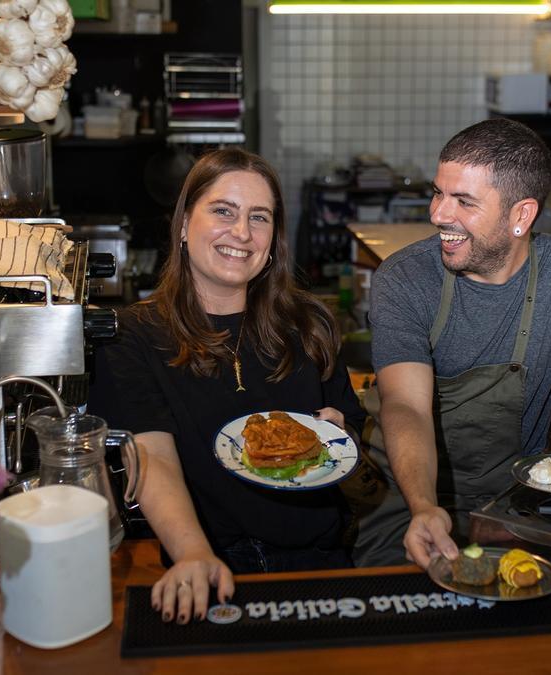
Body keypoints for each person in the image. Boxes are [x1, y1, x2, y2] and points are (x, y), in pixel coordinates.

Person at [353, 119, 551, 568]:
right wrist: (425, 507)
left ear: (521, 215)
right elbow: (405, 406)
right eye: (439, 193)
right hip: (405, 495)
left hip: (515, 498)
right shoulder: (405, 279)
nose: (438, 215)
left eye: (463, 201)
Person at [100, 148, 365, 624]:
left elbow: (348, 425)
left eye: (258, 218)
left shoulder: (308, 324)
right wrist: (192, 555)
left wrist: (342, 430)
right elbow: (151, 455)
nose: (242, 233)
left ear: (273, 239)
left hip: (317, 560)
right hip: (207, 560)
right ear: (183, 224)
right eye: (223, 211)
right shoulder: (133, 335)